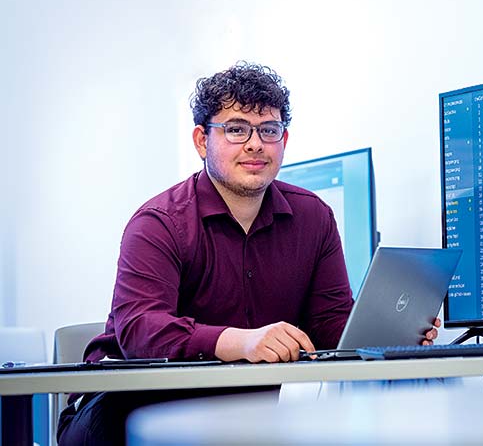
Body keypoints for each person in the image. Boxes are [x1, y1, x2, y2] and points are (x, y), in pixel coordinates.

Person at [58, 62, 440, 445]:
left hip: (239, 415)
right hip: (127, 410)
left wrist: (390, 332)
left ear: (284, 141)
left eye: (268, 130)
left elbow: (329, 324)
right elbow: (140, 331)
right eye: (236, 129)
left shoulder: (314, 218)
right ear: (201, 140)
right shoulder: (159, 223)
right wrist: (241, 341)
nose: (255, 144)